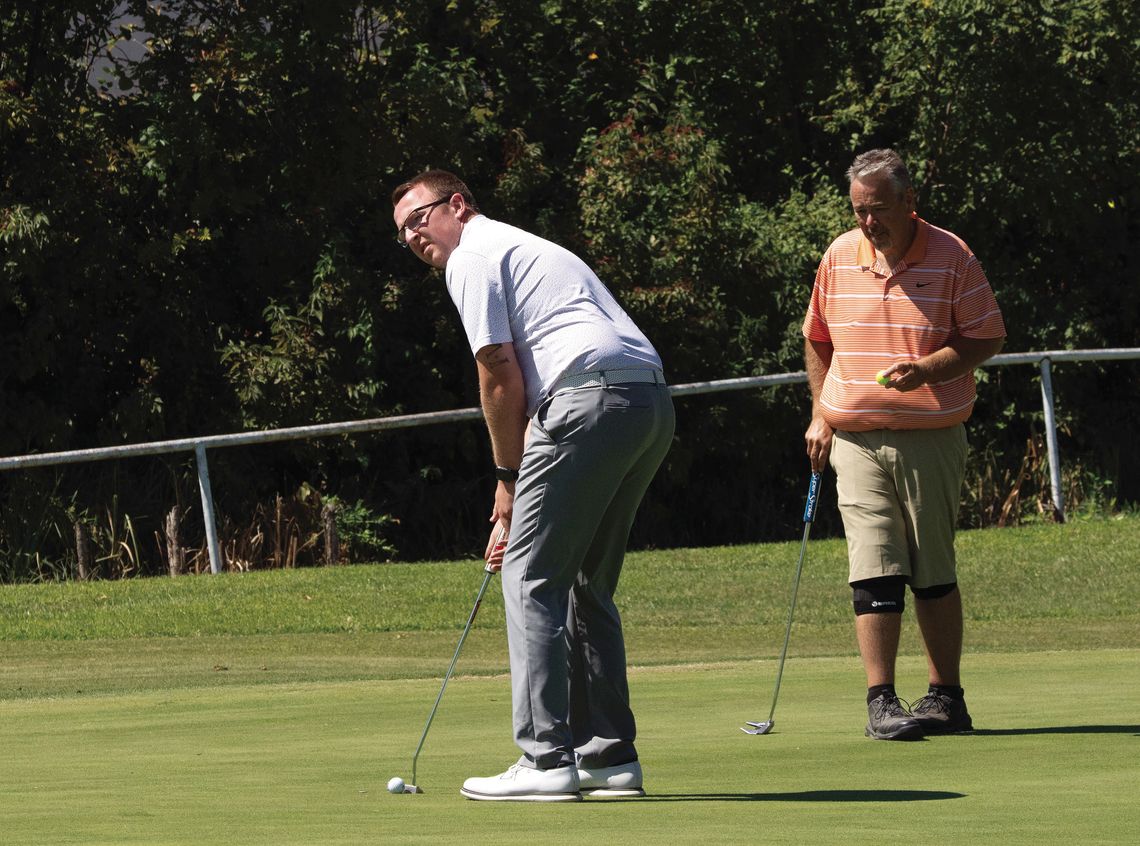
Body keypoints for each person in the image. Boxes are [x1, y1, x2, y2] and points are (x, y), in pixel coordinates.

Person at [391, 170, 675, 800]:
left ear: (458, 205)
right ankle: (608, 758)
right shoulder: (524, 248)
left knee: (529, 576)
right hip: (647, 402)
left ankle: (546, 760)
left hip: (584, 400)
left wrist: (507, 482)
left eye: (419, 218)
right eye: (403, 232)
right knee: (585, 581)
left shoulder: (472, 255)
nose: (413, 236)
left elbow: (498, 372)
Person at [802, 149, 1006, 740]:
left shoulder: (951, 254)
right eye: (860, 210)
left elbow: (986, 336)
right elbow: (817, 338)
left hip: (931, 434)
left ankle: (946, 696)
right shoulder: (840, 255)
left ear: (909, 202)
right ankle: (881, 701)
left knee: (932, 569)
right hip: (855, 437)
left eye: (880, 210)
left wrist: (929, 369)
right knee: (874, 566)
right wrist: (820, 413)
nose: (869, 222)